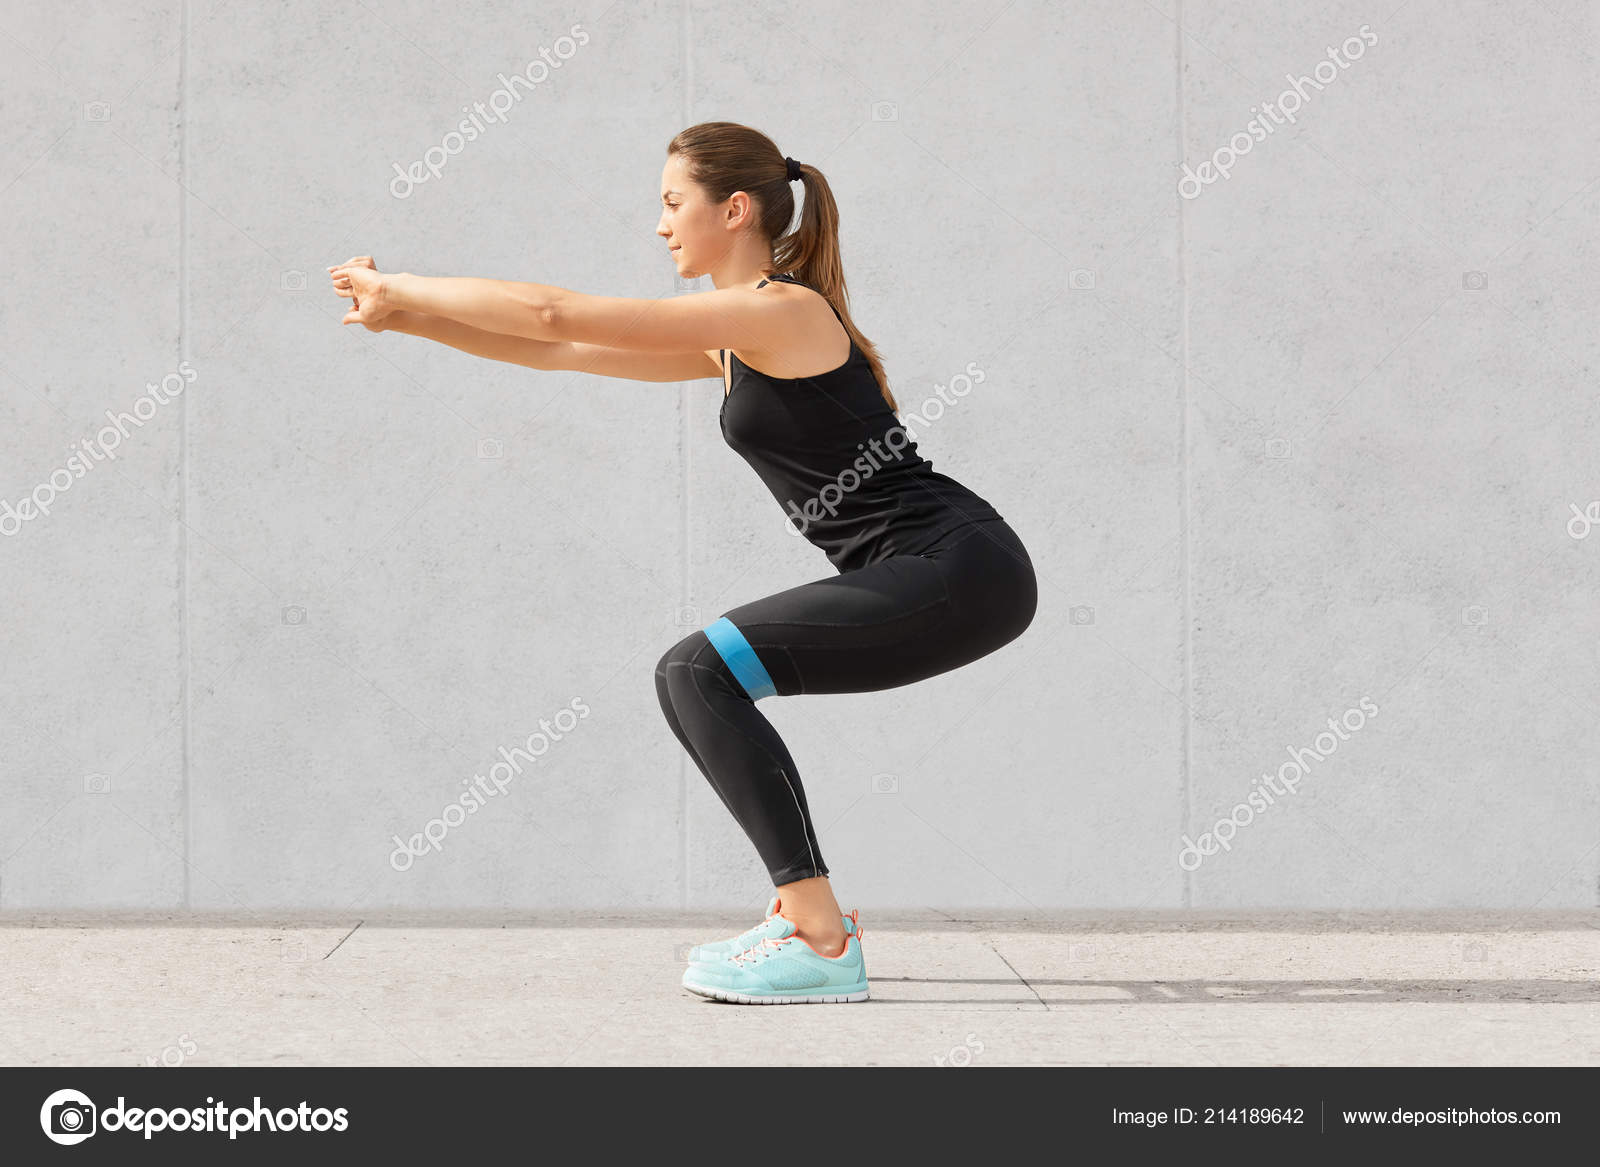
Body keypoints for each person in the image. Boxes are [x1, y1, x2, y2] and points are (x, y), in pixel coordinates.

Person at [329, 121, 1037, 1005]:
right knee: (699, 674)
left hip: (955, 564)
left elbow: (556, 311)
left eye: (673, 204)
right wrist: (409, 319)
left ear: (733, 209)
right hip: (935, 567)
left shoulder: (782, 311)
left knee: (695, 670)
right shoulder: (737, 337)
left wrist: (398, 279)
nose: (660, 226)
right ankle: (805, 919)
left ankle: (820, 940)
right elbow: (556, 348)